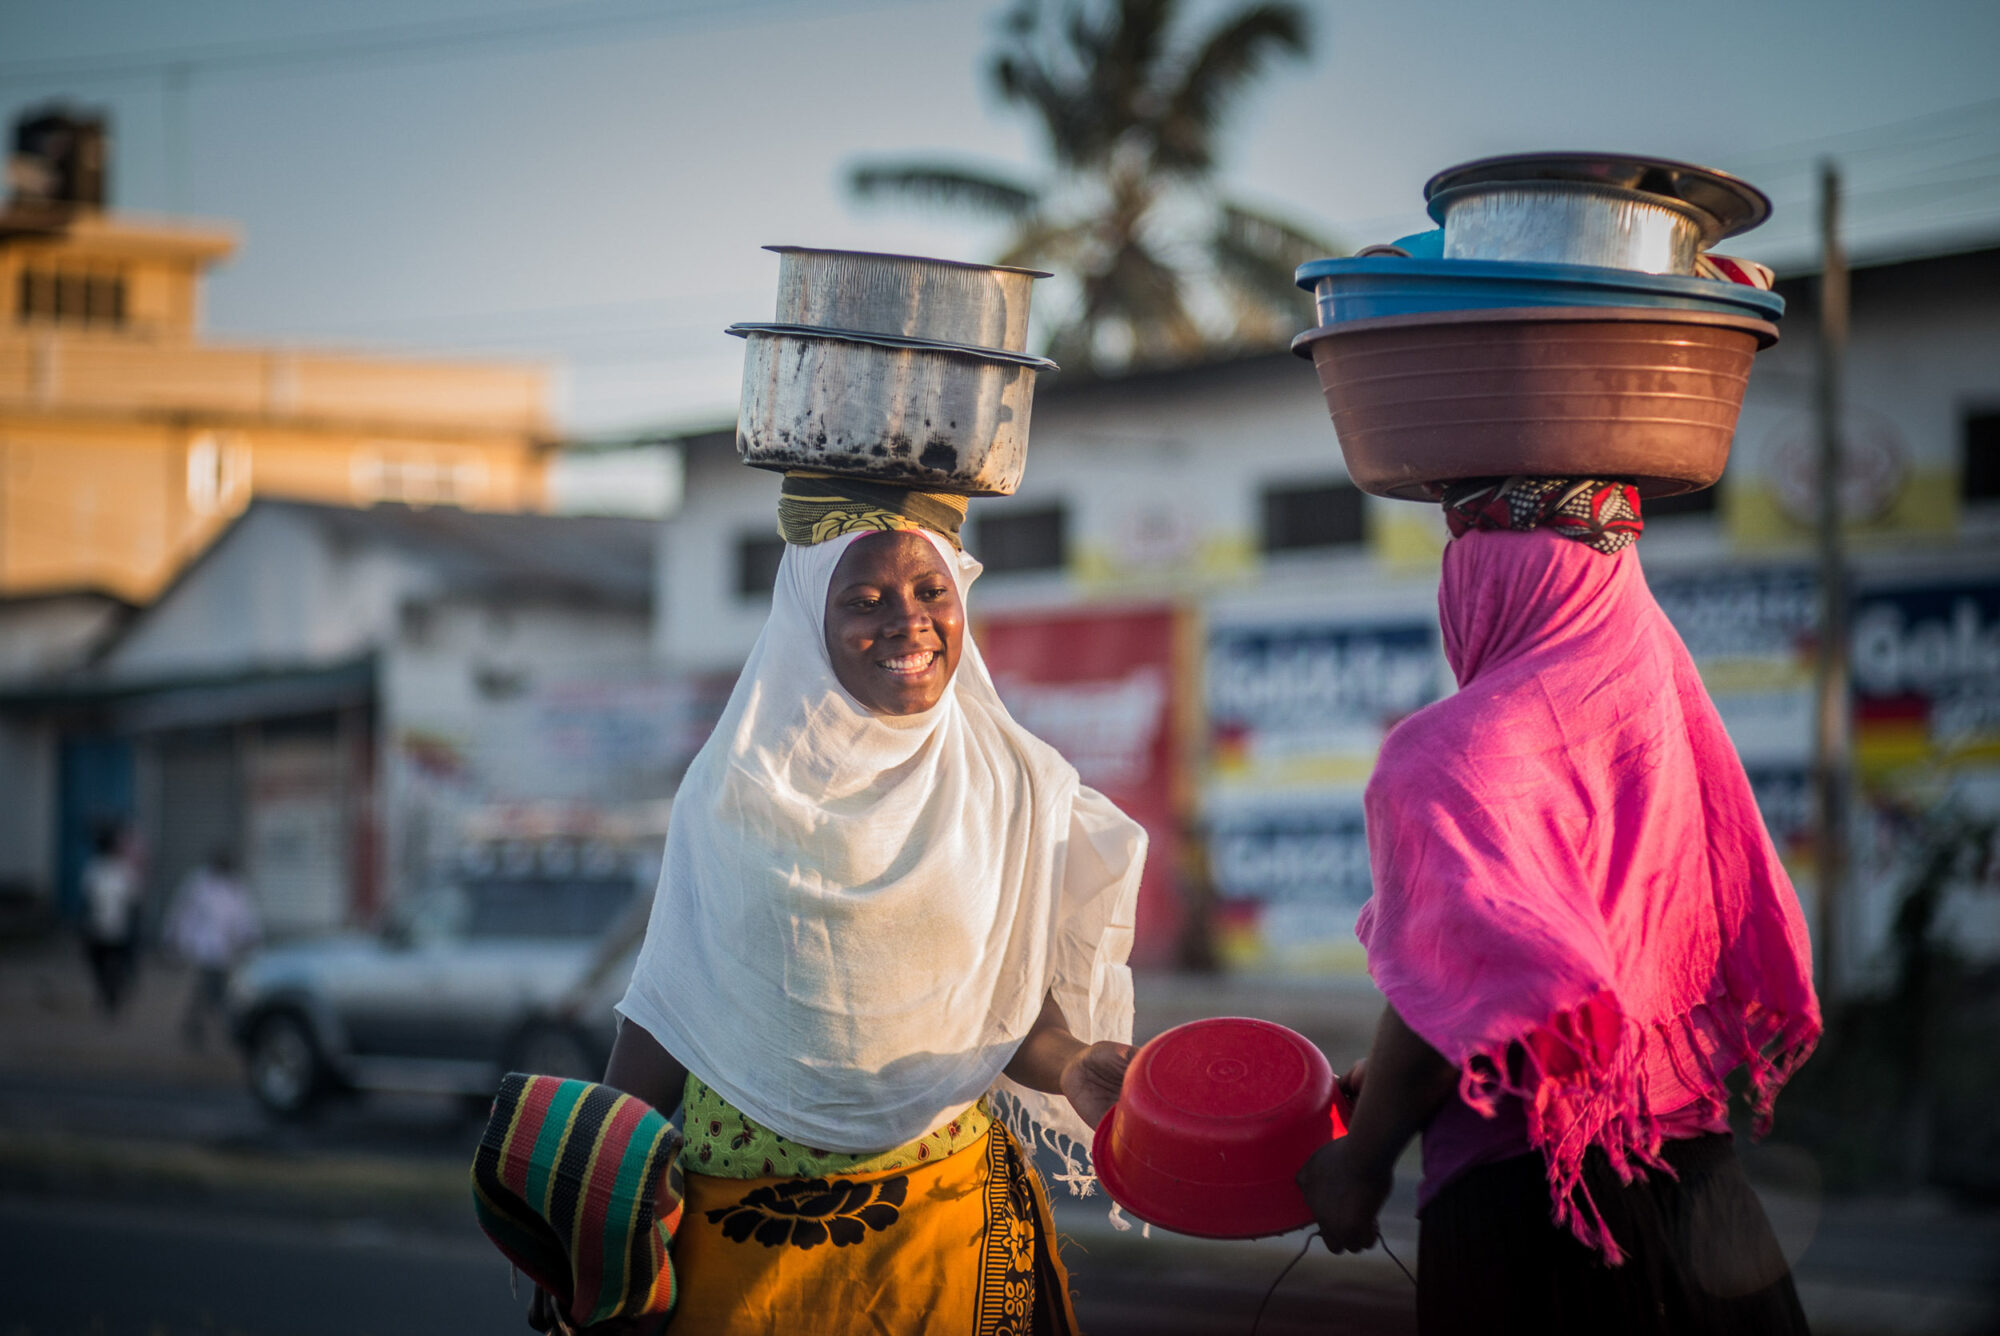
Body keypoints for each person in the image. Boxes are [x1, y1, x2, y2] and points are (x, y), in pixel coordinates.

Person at [531, 477, 1145, 1334]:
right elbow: (670, 1011)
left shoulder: (1010, 786)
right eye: (866, 600)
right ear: (805, 625)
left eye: (933, 592)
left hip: (946, 1230)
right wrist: (589, 1202)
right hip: (751, 1249)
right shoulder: (734, 794)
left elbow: (1011, 1016)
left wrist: (1075, 1064)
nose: (909, 621)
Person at [1297, 477, 1822, 1335]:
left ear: (1483, 584)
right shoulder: (1660, 720)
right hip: (1713, 1213)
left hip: (1545, 1222)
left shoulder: (1447, 754)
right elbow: (1529, 992)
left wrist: (1363, 1157)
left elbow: (1482, 980)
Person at [165, 848, 262, 1048]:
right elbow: (181, 912)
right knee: (210, 988)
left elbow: (245, 916)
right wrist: (174, 937)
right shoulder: (198, 883)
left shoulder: (236, 886)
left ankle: (198, 1023)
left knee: (215, 990)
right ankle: (202, 1025)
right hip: (202, 947)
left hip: (226, 949)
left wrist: (250, 938)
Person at [78, 822, 143, 1016]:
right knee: (103, 963)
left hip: (110, 927)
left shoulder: (107, 870)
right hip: (105, 927)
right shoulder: (105, 870)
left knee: (109, 964)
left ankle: (111, 995)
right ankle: (108, 994)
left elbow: (133, 901)